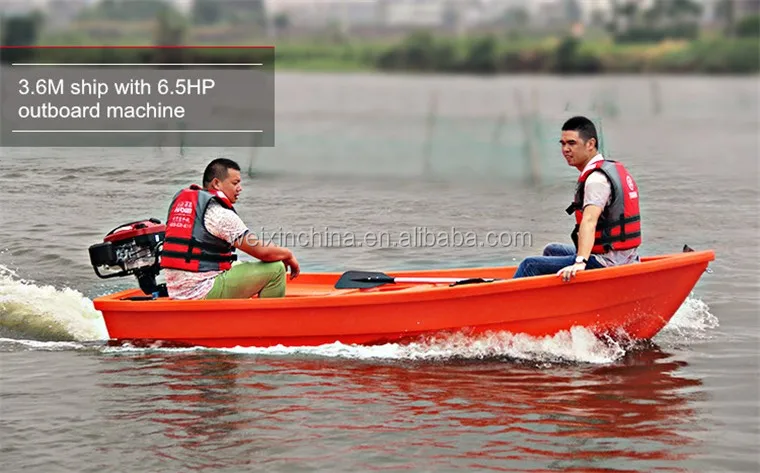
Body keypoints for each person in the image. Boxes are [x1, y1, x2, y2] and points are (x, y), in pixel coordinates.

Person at [513, 116, 642, 282]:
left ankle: (504, 305)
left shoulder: (596, 179)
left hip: (608, 262)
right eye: (563, 143)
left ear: (590, 144)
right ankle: (564, 303)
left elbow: (589, 221)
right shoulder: (609, 169)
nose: (565, 149)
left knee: (529, 265)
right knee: (551, 250)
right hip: (622, 257)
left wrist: (580, 262)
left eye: (572, 143)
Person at [160, 158, 300, 300]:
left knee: (238, 264)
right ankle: (267, 321)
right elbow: (261, 251)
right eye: (235, 183)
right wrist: (287, 254)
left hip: (178, 291)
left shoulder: (188, 207)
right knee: (276, 268)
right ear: (216, 183)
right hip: (201, 292)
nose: (240, 188)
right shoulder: (219, 214)